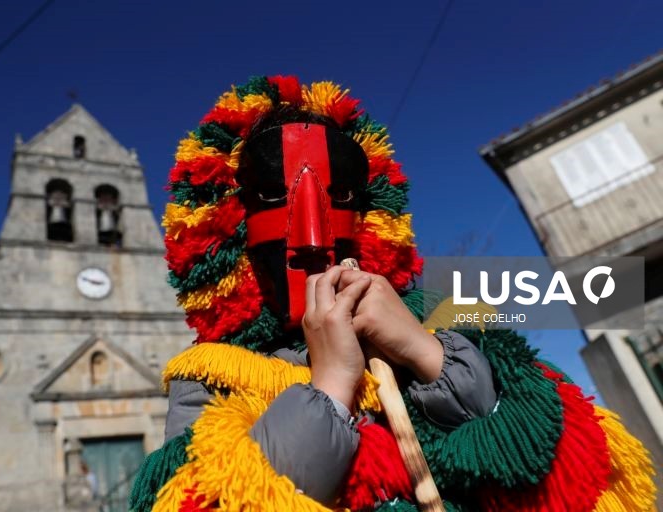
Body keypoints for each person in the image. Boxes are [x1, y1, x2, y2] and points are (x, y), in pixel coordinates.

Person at [129, 76, 656, 511]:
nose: (312, 236)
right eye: (271, 195)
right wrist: (331, 386)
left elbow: (579, 468)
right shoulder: (209, 374)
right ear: (226, 221)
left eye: (339, 196)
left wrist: (430, 356)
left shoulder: (449, 309)